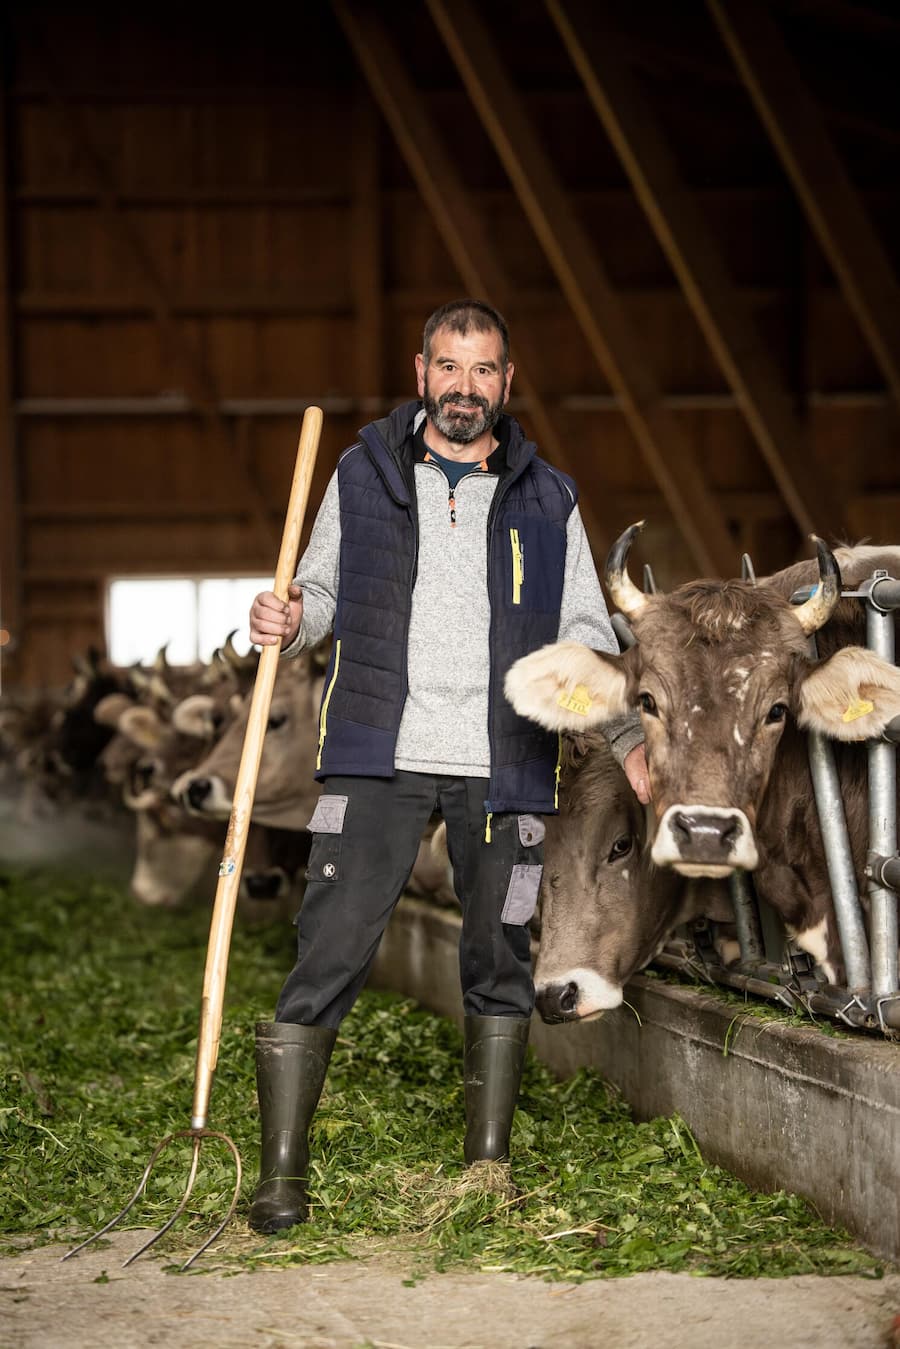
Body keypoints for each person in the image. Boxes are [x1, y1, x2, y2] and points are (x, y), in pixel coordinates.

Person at [246, 298, 648, 1233]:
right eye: (448, 367)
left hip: (507, 776)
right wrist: (282, 620)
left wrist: (630, 748)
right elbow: (319, 598)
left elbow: (587, 634)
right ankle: (279, 1178)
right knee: (329, 949)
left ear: (508, 382)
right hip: (374, 761)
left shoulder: (551, 498)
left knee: (502, 951)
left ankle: (486, 1174)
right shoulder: (362, 472)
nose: (465, 389)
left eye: (484, 371)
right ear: (420, 370)